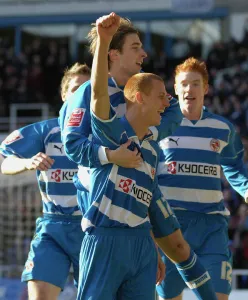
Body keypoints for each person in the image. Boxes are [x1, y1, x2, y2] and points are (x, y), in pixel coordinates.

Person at [61, 13, 217, 300]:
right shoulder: (87, 94)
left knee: (179, 248)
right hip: (103, 191)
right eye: (136, 47)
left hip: (142, 175)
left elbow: (171, 113)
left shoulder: (140, 89)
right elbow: (73, 148)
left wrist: (149, 137)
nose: (144, 53)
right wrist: (110, 155)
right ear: (113, 54)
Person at [155, 57, 248, 300]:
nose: (189, 89)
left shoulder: (222, 128)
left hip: (211, 226)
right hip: (171, 227)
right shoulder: (158, 124)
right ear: (174, 88)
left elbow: (233, 164)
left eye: (195, 84)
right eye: (183, 83)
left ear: (206, 88)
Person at [0, 63, 91, 299]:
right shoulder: (46, 131)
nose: (81, 94)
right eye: (75, 89)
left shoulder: (106, 134)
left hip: (94, 230)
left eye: (88, 89)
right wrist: (26, 163)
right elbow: (5, 163)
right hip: (54, 228)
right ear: (64, 95)